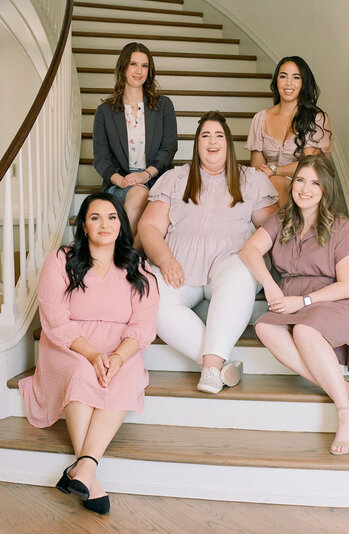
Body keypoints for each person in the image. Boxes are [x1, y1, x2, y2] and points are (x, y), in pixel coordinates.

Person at [19, 192, 159, 514]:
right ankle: (89, 475)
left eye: (112, 217)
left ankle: (82, 468)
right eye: (95, 217)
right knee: (82, 374)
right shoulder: (62, 260)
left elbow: (142, 327)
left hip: (120, 347)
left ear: (121, 224)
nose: (104, 224)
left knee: (124, 376)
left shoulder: (139, 267)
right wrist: (93, 355)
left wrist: (117, 357)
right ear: (84, 225)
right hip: (69, 345)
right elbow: (54, 320)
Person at [138, 111, 279, 394]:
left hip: (231, 259)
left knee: (240, 274)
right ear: (196, 143)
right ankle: (218, 366)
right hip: (179, 263)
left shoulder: (250, 179)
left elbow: (273, 228)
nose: (212, 141)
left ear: (228, 142)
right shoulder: (176, 178)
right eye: (205, 135)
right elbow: (149, 226)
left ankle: (211, 367)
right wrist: (165, 260)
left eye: (218, 135)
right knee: (155, 305)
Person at [239, 155, 349, 455]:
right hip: (294, 297)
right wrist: (271, 287)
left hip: (335, 298)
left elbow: (348, 284)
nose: (305, 189)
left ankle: (347, 413)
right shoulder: (281, 219)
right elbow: (250, 250)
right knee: (265, 328)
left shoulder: (340, 226)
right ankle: (342, 388)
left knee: (305, 332)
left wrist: (304, 301)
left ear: (326, 190)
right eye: (300, 180)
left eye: (314, 183)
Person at [93, 42, 178, 239]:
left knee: (148, 200)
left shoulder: (163, 105)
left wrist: (145, 175)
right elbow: (100, 159)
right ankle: (131, 261)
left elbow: (169, 148)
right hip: (120, 182)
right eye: (133, 64)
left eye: (145, 65)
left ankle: (126, 260)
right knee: (140, 196)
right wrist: (121, 181)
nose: (139, 71)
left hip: (156, 180)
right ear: (123, 67)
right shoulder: (104, 112)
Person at [245, 56, 333, 206]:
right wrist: (269, 174)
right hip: (266, 186)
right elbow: (257, 169)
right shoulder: (260, 119)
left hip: (304, 187)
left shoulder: (316, 118)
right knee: (259, 186)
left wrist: (274, 170)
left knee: (270, 185)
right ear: (276, 81)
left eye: (296, 77)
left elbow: (308, 167)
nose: (288, 83)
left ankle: (272, 227)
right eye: (283, 76)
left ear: (303, 83)